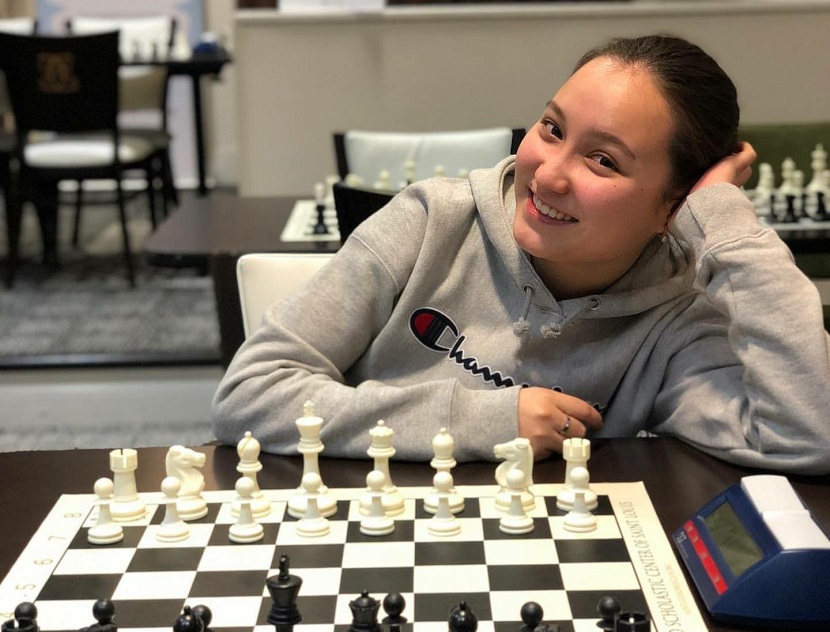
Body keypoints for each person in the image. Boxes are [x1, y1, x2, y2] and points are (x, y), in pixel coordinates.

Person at [213, 35, 830, 475]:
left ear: (673, 205)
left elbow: (805, 437)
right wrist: (484, 420)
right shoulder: (431, 221)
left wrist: (725, 221)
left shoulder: (679, 319)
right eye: (552, 128)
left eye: (603, 160)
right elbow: (250, 395)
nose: (549, 175)